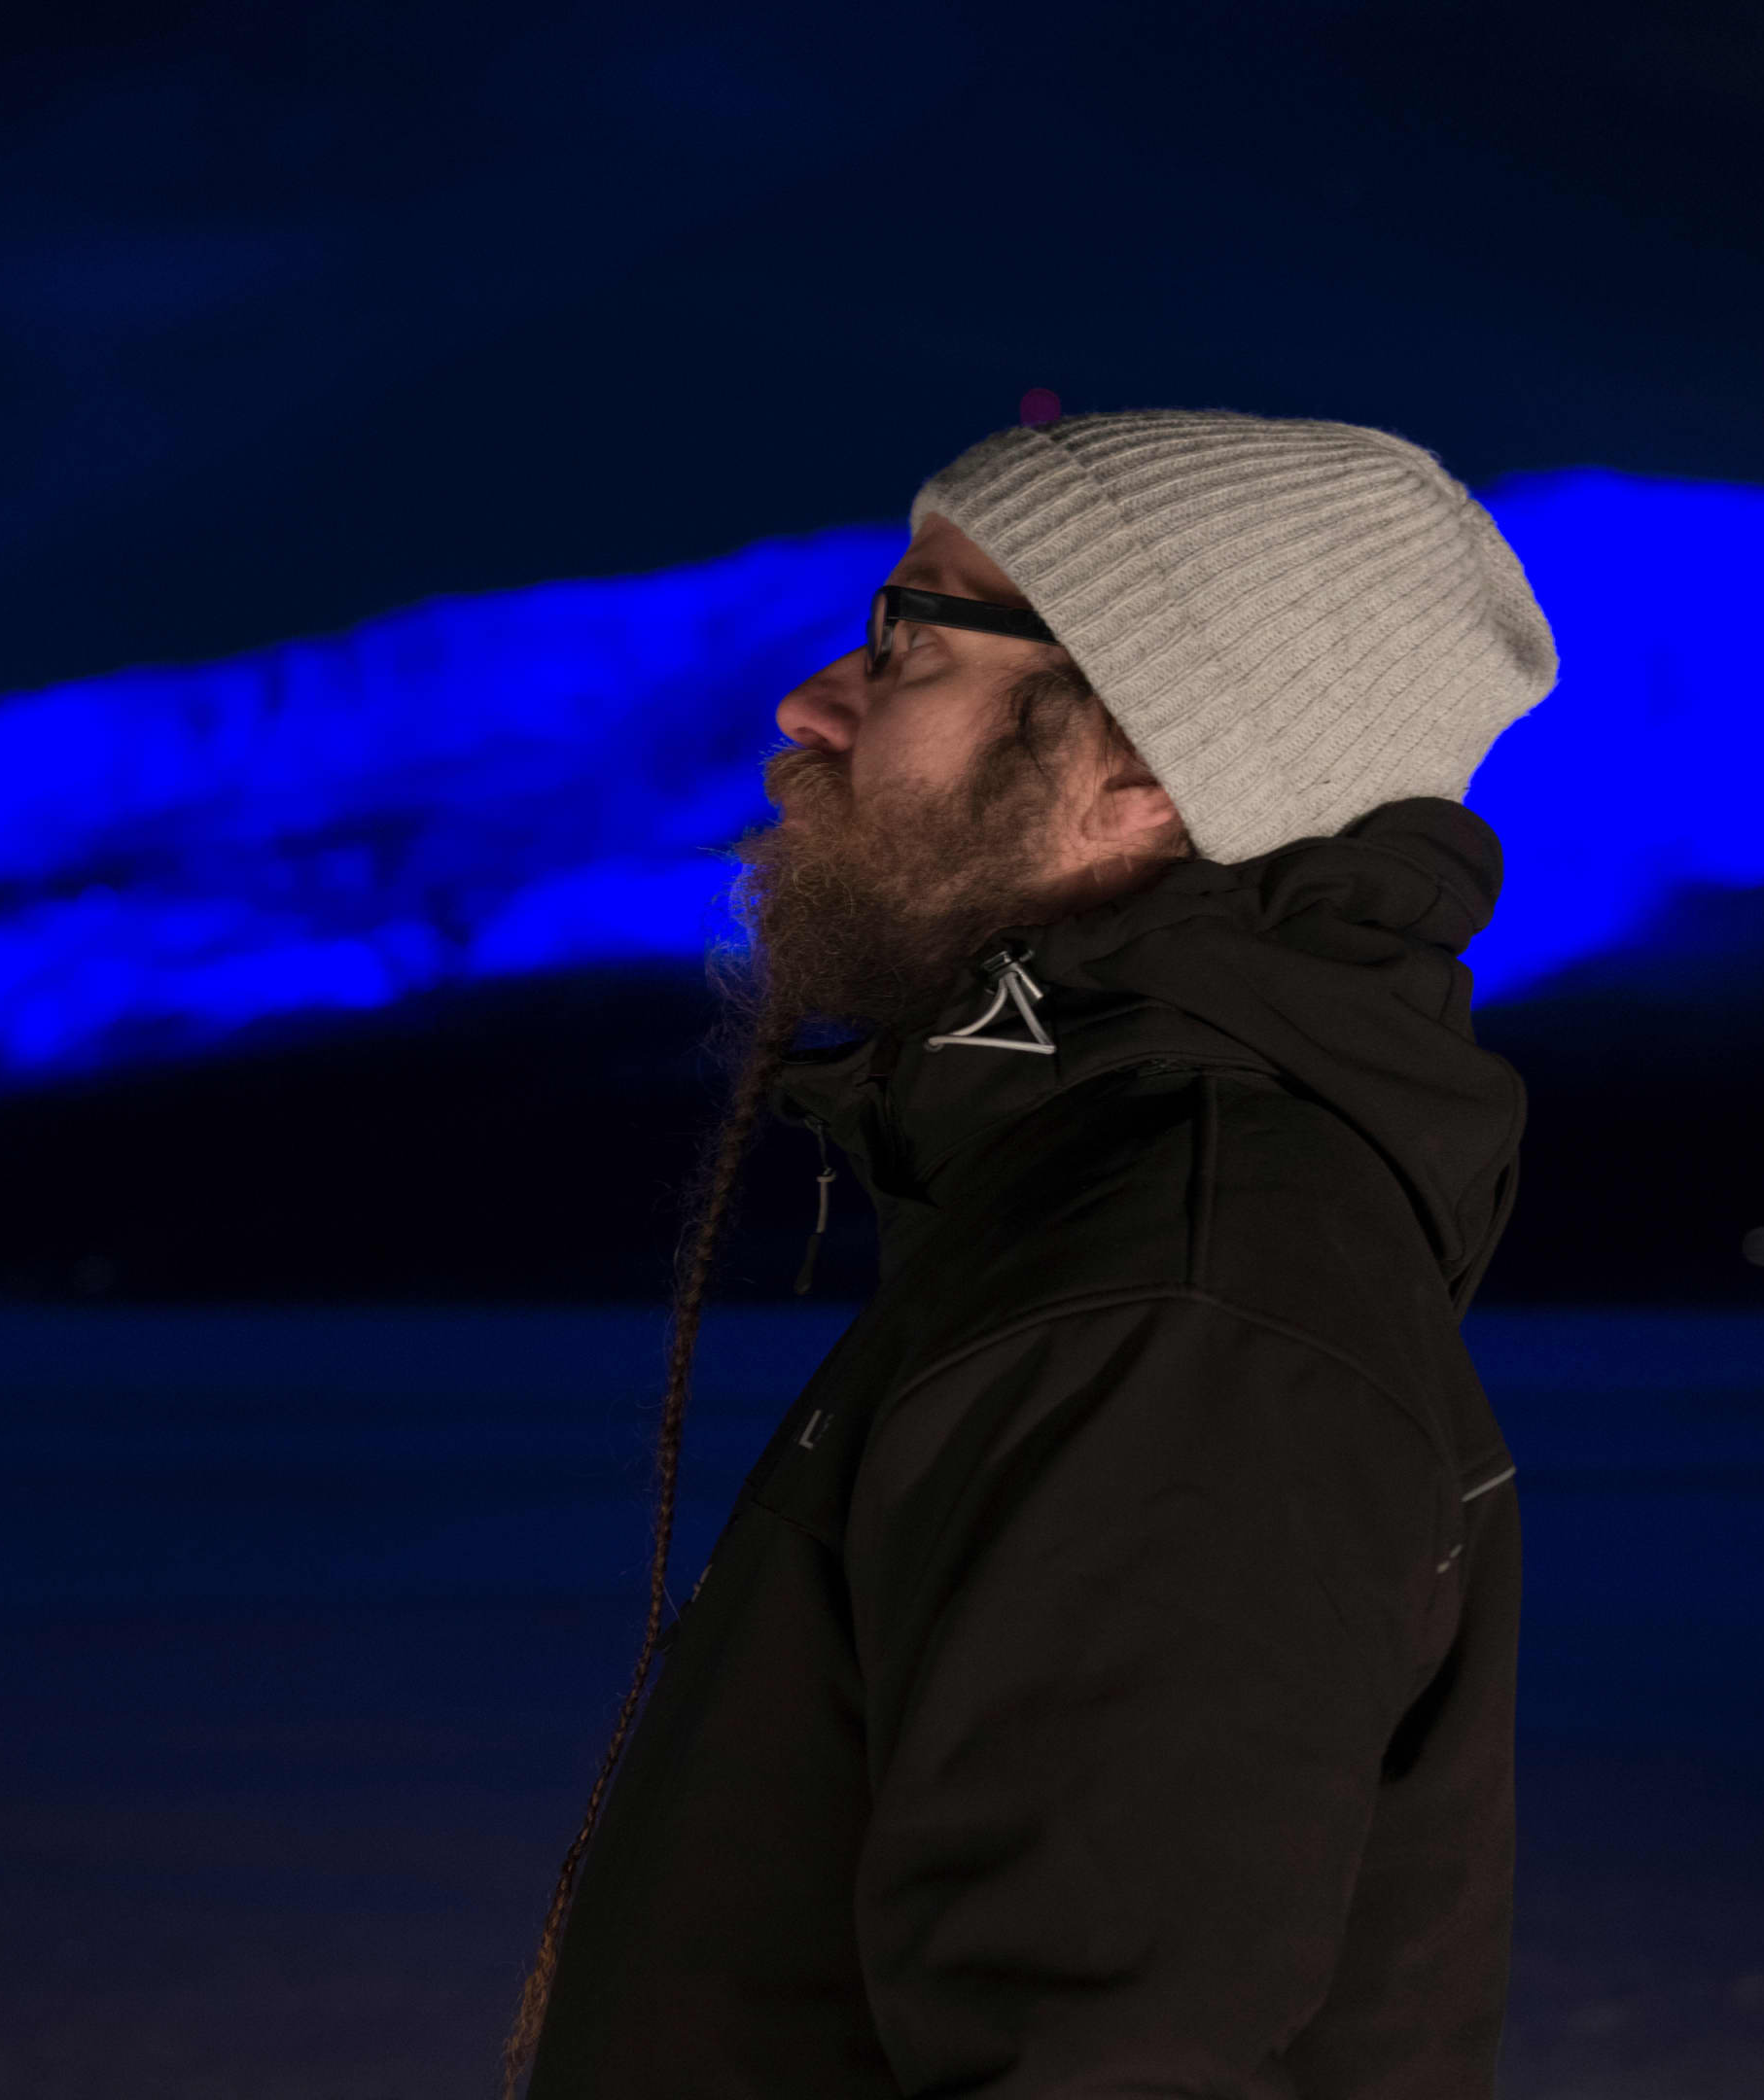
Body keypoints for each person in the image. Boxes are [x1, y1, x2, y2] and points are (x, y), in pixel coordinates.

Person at [505, 407, 1559, 2098]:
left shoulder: (1179, 1304)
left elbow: (1097, 2061)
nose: (813, 701)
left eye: (912, 639)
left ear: (1147, 767)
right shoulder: (1095, 1217)